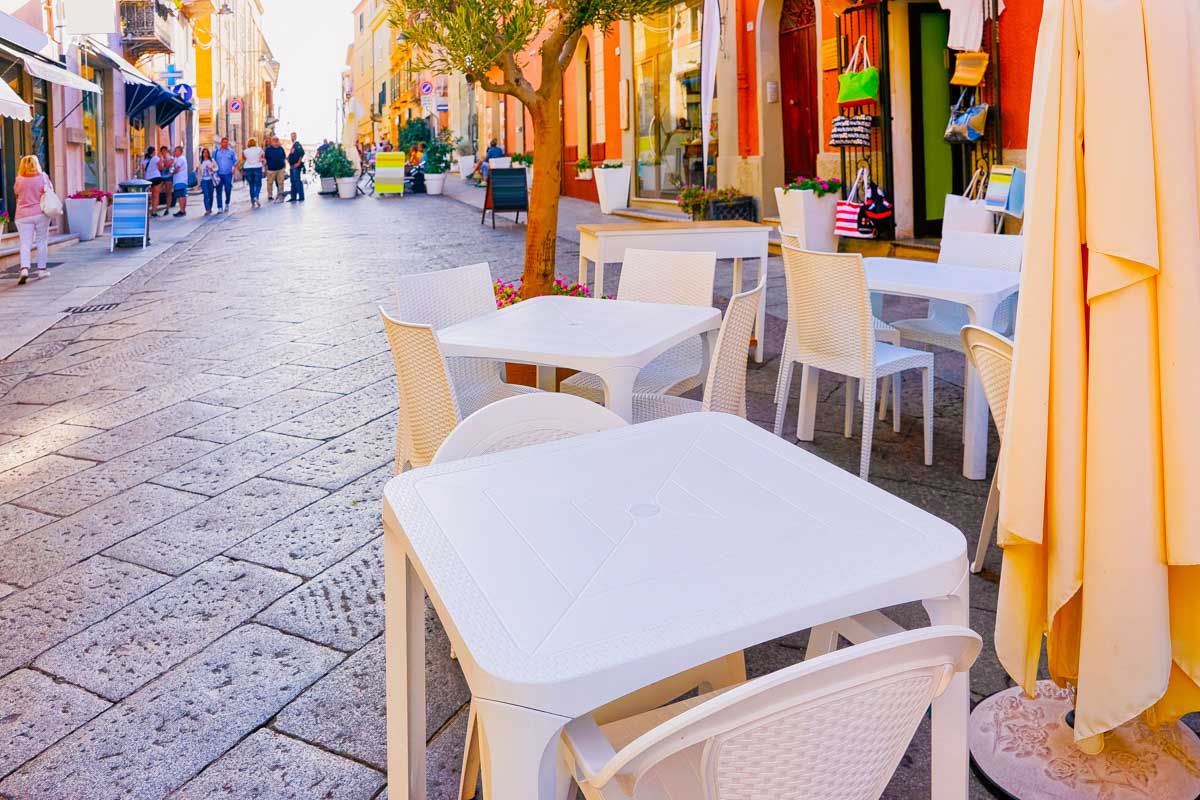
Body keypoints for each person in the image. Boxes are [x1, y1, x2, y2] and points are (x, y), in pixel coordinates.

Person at [12, 155, 53, 285]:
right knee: (41, 241)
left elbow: (17, 194)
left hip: (23, 215)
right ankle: (41, 270)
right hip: (40, 213)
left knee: (25, 243)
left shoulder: (19, 180)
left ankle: (24, 269)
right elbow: (50, 191)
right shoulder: (43, 177)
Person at [213, 136, 238, 212]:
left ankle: (227, 203)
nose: (225, 144)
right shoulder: (216, 152)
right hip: (218, 174)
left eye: (226, 142)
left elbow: (235, 161)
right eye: (224, 142)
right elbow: (212, 161)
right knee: (218, 191)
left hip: (228, 174)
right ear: (221, 143)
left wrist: (234, 167)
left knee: (228, 189)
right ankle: (219, 207)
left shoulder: (231, 152)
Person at [240, 136, 264, 208]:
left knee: (251, 185)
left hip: (248, 168)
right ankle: (256, 196)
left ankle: (252, 202)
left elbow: (244, 159)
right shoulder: (259, 149)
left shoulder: (245, 151)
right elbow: (262, 157)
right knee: (258, 184)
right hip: (257, 167)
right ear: (255, 143)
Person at [264, 135, 287, 202]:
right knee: (270, 183)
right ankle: (270, 196)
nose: (276, 142)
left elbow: (284, 156)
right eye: (274, 141)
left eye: (277, 140)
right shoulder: (268, 149)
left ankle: (280, 195)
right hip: (271, 169)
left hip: (280, 168)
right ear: (271, 142)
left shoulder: (281, 148)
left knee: (281, 182)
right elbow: (266, 158)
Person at [142, 145, 164, 216]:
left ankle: (150, 210)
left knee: (151, 195)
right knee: (156, 195)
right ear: (154, 151)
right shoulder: (156, 158)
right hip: (156, 177)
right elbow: (161, 168)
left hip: (148, 178)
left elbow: (143, 169)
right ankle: (154, 212)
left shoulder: (144, 159)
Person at [170, 145, 189, 217]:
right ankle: (183, 210)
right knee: (183, 195)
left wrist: (171, 174)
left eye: (176, 151)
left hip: (179, 180)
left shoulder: (180, 159)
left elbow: (177, 169)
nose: (174, 152)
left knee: (180, 196)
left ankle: (182, 210)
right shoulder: (181, 158)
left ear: (180, 151)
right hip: (182, 180)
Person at [198, 147, 218, 216]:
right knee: (206, 195)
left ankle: (210, 207)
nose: (205, 154)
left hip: (211, 179)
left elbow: (217, 168)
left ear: (208, 153)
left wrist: (212, 169)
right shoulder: (200, 162)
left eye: (206, 152)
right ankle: (207, 209)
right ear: (202, 154)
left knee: (211, 195)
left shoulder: (212, 160)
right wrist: (199, 182)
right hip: (204, 180)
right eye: (204, 152)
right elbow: (199, 173)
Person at [154, 145, 174, 216]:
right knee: (157, 192)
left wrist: (163, 162)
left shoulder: (171, 157)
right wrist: (162, 163)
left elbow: (168, 165)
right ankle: (155, 209)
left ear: (166, 151)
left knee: (168, 193)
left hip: (168, 177)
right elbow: (160, 168)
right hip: (161, 177)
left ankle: (167, 208)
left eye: (164, 151)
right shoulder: (160, 158)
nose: (163, 152)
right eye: (162, 151)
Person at [287, 132, 305, 202]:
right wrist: (288, 158)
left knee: (297, 181)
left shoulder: (297, 144)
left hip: (296, 166)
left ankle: (301, 196)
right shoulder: (293, 146)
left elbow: (302, 153)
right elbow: (292, 154)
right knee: (293, 181)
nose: (292, 138)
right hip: (292, 166)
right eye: (291, 136)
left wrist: (298, 162)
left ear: (296, 137)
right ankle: (293, 197)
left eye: (293, 136)